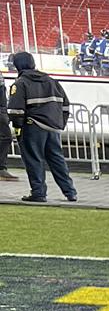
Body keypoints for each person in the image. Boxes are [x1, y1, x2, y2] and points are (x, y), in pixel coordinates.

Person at [7, 52, 77, 204]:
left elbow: (15, 111)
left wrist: (18, 128)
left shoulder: (20, 84)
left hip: (32, 127)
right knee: (57, 160)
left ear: (17, 66)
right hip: (53, 128)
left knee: (34, 159)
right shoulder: (52, 81)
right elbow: (65, 106)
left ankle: (38, 193)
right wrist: (59, 123)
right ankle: (70, 192)